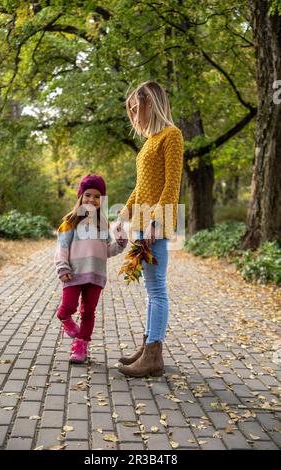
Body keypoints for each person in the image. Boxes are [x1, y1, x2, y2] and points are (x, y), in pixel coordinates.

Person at [117, 81, 184, 377]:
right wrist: (121, 217)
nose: (134, 114)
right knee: (150, 290)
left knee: (157, 290)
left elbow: (172, 184)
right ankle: (147, 347)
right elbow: (140, 188)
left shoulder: (172, 136)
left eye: (136, 107)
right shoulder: (149, 142)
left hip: (156, 223)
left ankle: (154, 354)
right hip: (143, 223)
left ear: (150, 103)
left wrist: (158, 221)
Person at [54, 173, 127, 363]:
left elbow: (107, 251)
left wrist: (120, 243)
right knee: (69, 305)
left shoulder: (103, 224)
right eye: (87, 195)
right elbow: (61, 248)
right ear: (80, 196)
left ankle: (81, 346)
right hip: (73, 273)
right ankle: (63, 316)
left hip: (96, 274)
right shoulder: (69, 222)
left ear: (101, 200)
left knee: (88, 312)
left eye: (97, 196)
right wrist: (62, 267)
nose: (91, 199)